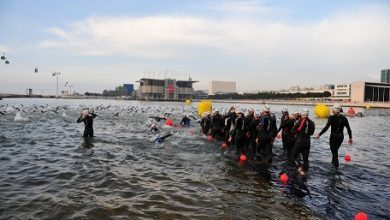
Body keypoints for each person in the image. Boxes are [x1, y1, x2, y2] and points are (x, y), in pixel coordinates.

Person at [316, 104, 353, 168]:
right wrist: (350, 138)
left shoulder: (331, 117)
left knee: (335, 153)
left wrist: (319, 134)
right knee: (335, 152)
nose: (332, 111)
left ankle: (336, 169)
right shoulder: (344, 118)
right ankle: (332, 164)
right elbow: (348, 129)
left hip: (333, 137)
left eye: (332, 110)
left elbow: (326, 127)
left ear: (335, 110)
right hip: (341, 137)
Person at [290, 108, 315, 173]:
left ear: (302, 114)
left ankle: (299, 167)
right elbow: (312, 133)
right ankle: (305, 173)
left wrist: (296, 134)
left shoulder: (301, 121)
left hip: (299, 142)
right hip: (307, 143)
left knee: (292, 156)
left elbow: (292, 130)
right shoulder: (312, 122)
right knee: (305, 160)